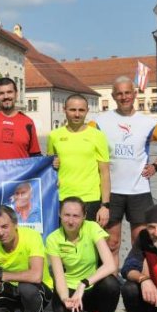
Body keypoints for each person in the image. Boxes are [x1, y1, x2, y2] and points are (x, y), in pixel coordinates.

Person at [92, 76, 157, 265]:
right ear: (113, 96)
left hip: (139, 191)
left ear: (134, 94)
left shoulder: (148, 123)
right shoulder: (100, 122)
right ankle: (112, 286)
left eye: (127, 92)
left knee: (139, 243)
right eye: (119, 94)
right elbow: (82, 141)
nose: (124, 97)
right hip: (111, 191)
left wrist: (156, 165)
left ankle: (137, 283)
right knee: (111, 244)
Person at [46, 197, 119, 312]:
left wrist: (83, 284)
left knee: (112, 284)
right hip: (70, 287)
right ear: (59, 214)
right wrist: (66, 299)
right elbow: (58, 276)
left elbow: (110, 265)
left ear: (84, 216)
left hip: (91, 286)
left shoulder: (92, 228)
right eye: (66, 215)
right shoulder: (53, 239)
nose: (70, 220)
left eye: (76, 216)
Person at [47, 94, 111, 226]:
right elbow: (49, 168)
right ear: (64, 110)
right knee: (64, 243)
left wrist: (105, 205)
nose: (77, 114)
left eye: (81, 110)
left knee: (87, 244)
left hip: (90, 198)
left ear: (87, 111)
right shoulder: (54, 136)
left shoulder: (98, 136)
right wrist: (53, 163)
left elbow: (105, 173)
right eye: (72, 110)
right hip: (62, 197)